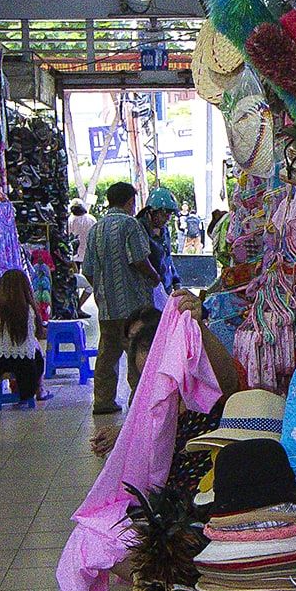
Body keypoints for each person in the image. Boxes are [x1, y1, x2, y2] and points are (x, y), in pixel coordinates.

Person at [83, 180, 161, 427]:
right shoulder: (131, 225)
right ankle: (139, 402)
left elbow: (88, 269)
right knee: (137, 350)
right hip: (133, 305)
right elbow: (139, 259)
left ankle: (103, 401)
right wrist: (154, 276)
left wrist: (102, 288)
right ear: (129, 202)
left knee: (107, 353)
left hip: (106, 305)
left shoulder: (96, 229)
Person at [0, 267, 44, 408]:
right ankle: (34, 391)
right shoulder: (30, 309)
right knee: (38, 354)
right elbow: (37, 335)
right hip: (26, 366)